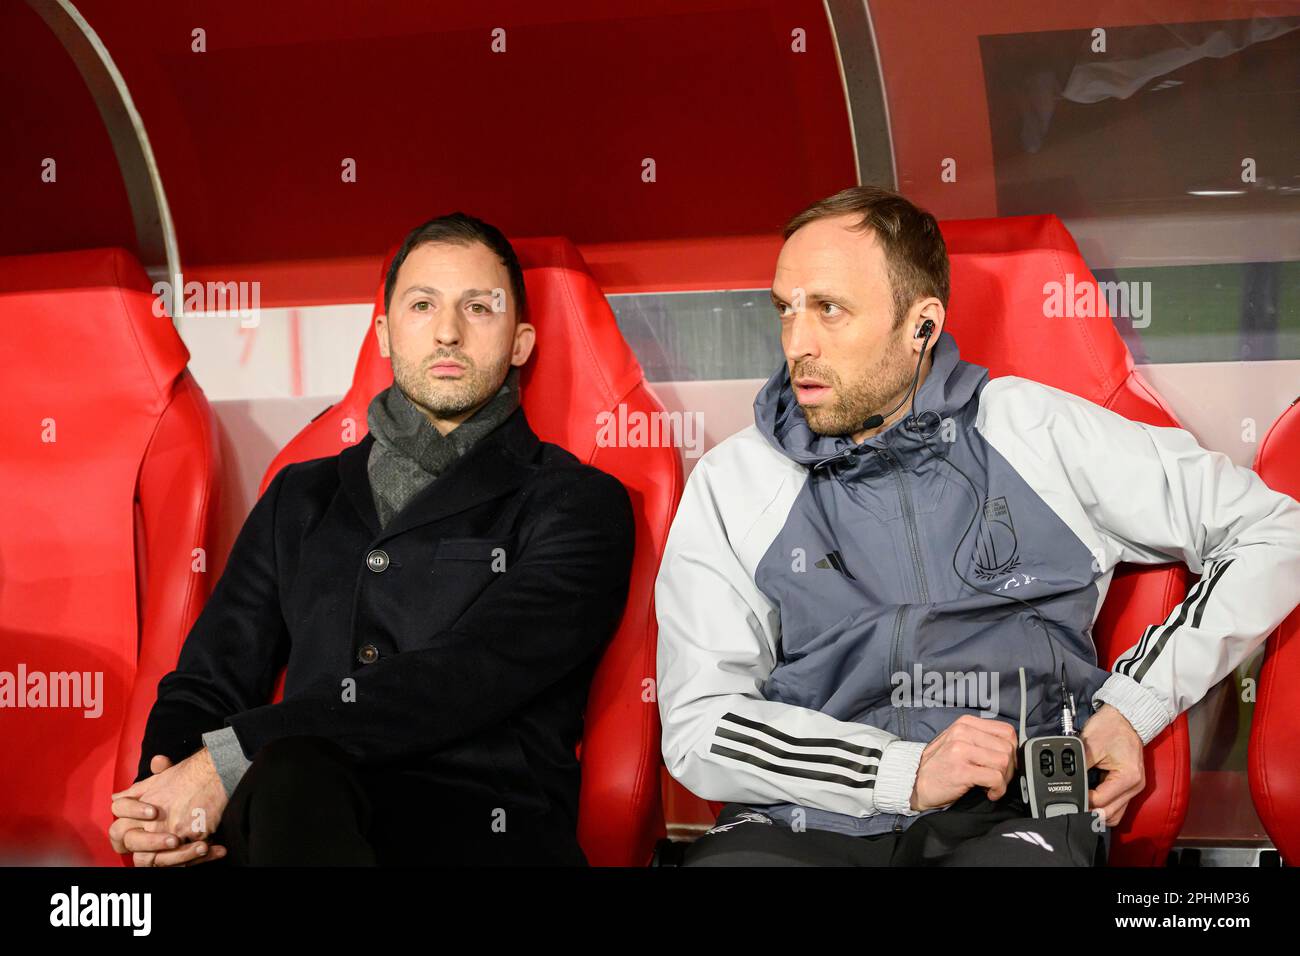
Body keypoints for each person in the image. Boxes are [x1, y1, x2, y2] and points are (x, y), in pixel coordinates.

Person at [655, 186, 1300, 866]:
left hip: (1009, 815)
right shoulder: (737, 479)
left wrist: (1133, 705)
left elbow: (1275, 533)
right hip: (800, 820)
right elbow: (700, 723)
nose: (797, 343)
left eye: (829, 310)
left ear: (922, 326)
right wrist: (895, 773)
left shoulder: (1034, 430)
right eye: (785, 310)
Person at [108, 213, 635, 866]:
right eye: (422, 305)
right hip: (288, 820)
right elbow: (206, 681)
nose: (448, 331)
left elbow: (462, 678)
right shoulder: (298, 496)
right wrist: (161, 802)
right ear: (384, 333)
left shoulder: (579, 502)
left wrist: (231, 756)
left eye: (479, 307)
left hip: (481, 833)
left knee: (291, 769)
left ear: (521, 341)